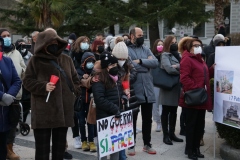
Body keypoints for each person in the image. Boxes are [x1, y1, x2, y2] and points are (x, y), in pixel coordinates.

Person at [23, 29, 81, 160]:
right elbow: (27, 81)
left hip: (64, 113)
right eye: (51, 43)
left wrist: (74, 93)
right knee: (42, 151)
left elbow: (75, 80)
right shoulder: (35, 61)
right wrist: (43, 86)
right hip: (43, 113)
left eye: (56, 42)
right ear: (43, 44)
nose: (54, 45)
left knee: (59, 151)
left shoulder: (66, 59)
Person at [179, 38, 212, 160]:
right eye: (195, 45)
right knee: (191, 125)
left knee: (199, 125)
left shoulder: (201, 59)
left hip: (201, 98)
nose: (198, 47)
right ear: (189, 47)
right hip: (193, 98)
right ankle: (190, 150)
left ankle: (197, 148)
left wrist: (212, 68)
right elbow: (184, 78)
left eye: (199, 45)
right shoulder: (187, 59)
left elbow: (204, 74)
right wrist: (197, 88)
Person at [126, 27, 158, 154]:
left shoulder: (146, 48)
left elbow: (155, 63)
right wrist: (146, 63)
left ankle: (147, 144)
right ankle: (131, 144)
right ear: (132, 36)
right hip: (134, 88)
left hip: (147, 88)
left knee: (147, 118)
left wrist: (139, 61)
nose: (142, 37)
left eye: (143, 35)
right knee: (132, 118)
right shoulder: (126, 49)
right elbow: (129, 65)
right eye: (139, 35)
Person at [92, 52, 124, 160]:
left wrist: (123, 97)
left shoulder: (115, 78)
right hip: (104, 118)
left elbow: (119, 92)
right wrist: (115, 109)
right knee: (104, 150)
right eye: (111, 65)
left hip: (115, 118)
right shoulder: (99, 80)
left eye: (115, 65)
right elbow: (99, 100)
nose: (114, 67)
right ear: (106, 67)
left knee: (115, 148)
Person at [0, 28, 26, 160]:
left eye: (8, 36)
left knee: (8, 130)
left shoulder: (11, 58)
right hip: (3, 99)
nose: (6, 38)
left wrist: (10, 95)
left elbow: (19, 78)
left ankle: (8, 150)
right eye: (3, 36)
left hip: (10, 102)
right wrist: (2, 96)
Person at [112, 41, 138, 159]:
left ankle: (122, 155)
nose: (122, 60)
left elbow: (129, 76)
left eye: (124, 58)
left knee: (122, 130)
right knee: (114, 131)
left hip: (122, 100)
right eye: (120, 58)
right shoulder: (110, 66)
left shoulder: (126, 64)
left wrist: (125, 90)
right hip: (113, 101)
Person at [160, 35, 183, 145]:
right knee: (166, 111)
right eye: (172, 42)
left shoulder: (178, 55)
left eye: (175, 42)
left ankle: (172, 133)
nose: (174, 44)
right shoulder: (165, 55)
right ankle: (165, 135)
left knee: (174, 111)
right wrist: (179, 70)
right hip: (168, 86)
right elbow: (168, 68)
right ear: (168, 44)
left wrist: (177, 66)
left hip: (176, 86)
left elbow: (183, 65)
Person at [77, 52, 97, 152]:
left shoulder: (95, 72)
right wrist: (81, 78)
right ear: (83, 62)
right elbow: (76, 81)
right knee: (81, 122)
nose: (90, 63)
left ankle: (91, 141)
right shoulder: (78, 71)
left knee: (91, 122)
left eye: (92, 62)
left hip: (91, 102)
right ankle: (83, 141)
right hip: (80, 102)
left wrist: (88, 80)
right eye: (88, 62)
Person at [151, 39, 164, 132]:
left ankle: (164, 121)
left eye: (161, 44)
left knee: (163, 104)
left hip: (164, 83)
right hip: (154, 83)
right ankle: (158, 122)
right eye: (158, 45)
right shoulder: (152, 57)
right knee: (155, 104)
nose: (160, 46)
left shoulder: (166, 56)